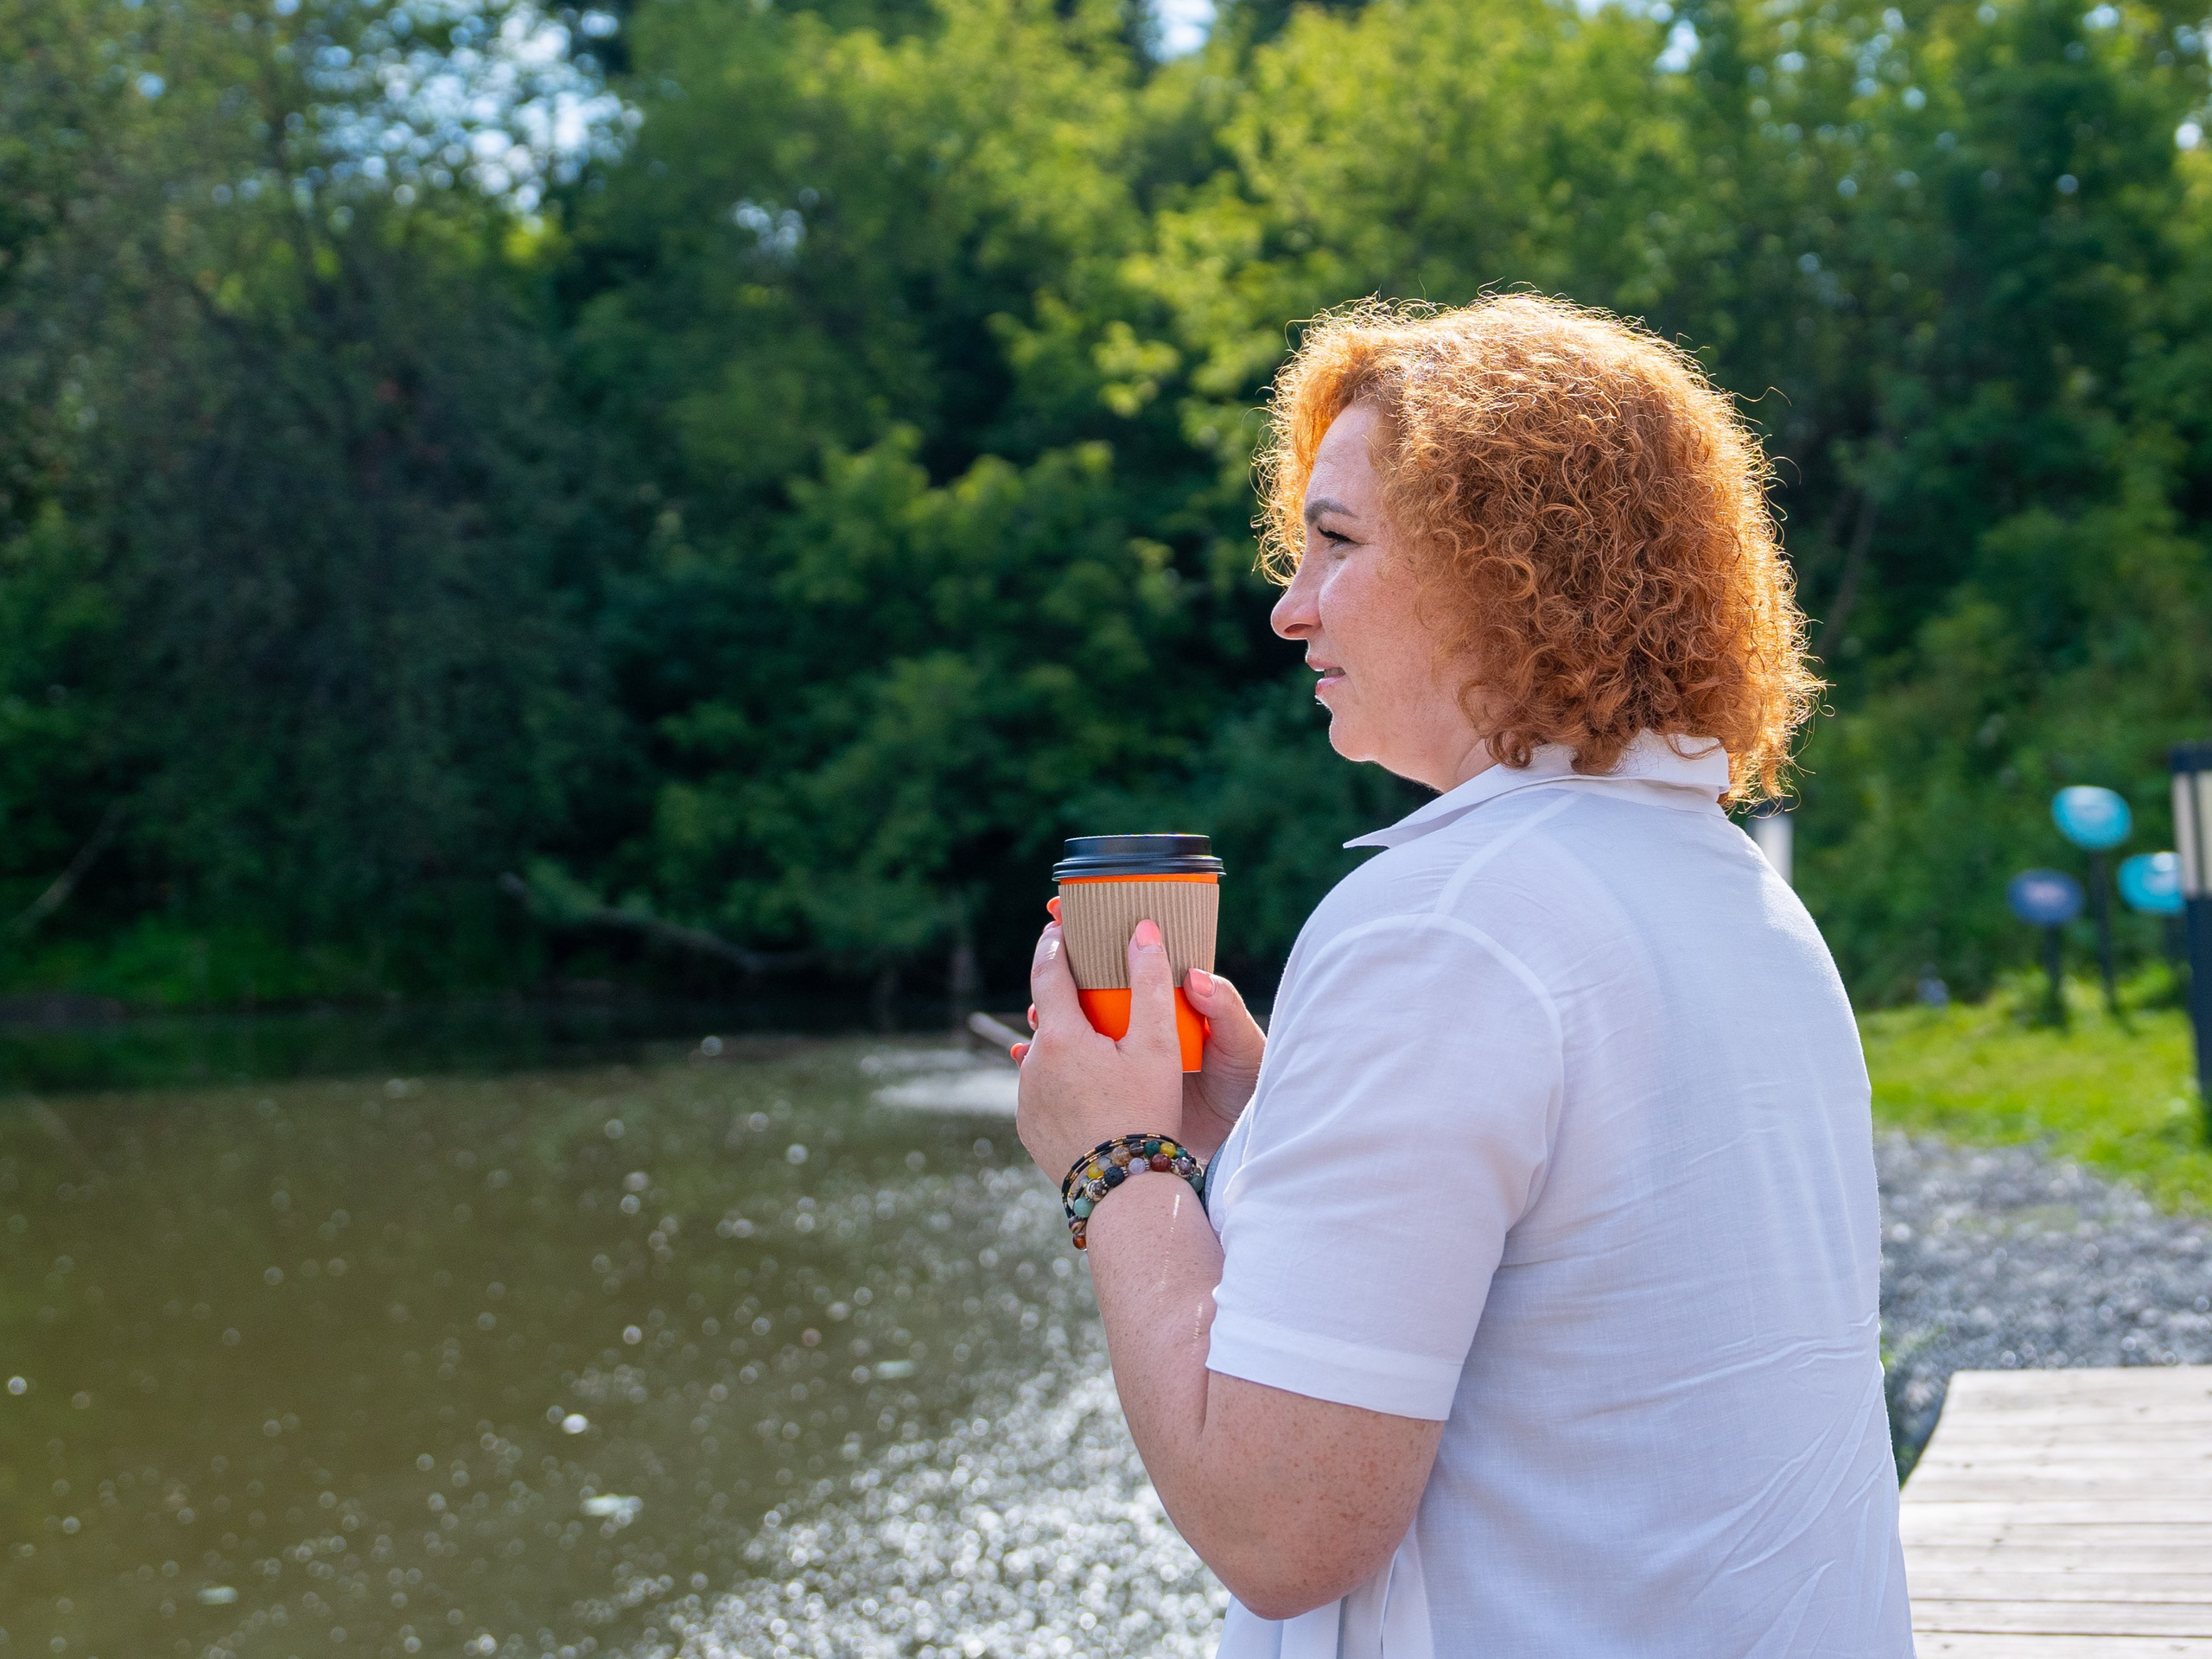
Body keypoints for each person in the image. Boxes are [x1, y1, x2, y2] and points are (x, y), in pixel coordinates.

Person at [1011, 294, 1910, 1657]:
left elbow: (1278, 1526)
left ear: (1506, 568)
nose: (1288, 605)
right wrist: (1271, 1122)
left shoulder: (1447, 924)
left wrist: (1118, 1164)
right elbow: (1595, 1299)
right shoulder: (1735, 895)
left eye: (1337, 542)